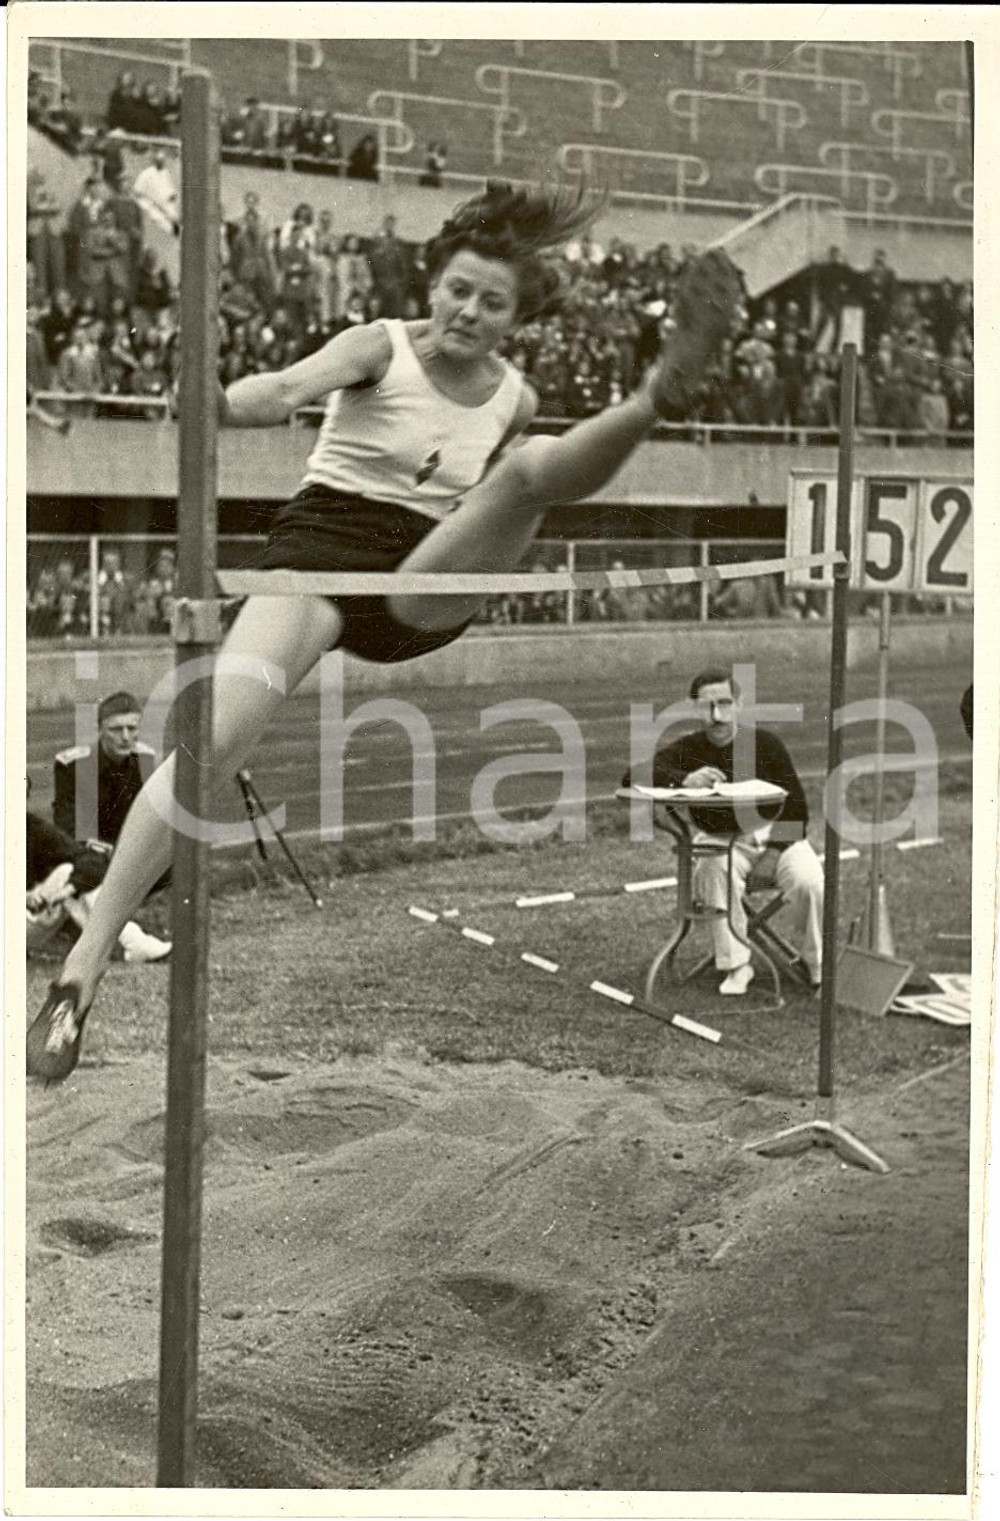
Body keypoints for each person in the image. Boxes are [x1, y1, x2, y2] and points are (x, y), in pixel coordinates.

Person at [27, 180, 743, 1081]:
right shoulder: (380, 346)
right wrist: (216, 394)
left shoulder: (513, 397)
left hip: (421, 578)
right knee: (211, 741)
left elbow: (494, 485)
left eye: (492, 302)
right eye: (458, 291)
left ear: (516, 319)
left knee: (525, 474)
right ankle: (83, 967)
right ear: (432, 286)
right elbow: (279, 391)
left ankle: (656, 397)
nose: (468, 313)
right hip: (319, 559)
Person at [622, 668, 823, 995]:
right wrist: (683, 779)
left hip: (775, 838)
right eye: (707, 706)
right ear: (694, 709)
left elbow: (797, 805)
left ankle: (817, 966)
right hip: (721, 840)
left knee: (810, 881)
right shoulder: (688, 748)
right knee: (713, 868)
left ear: (739, 704)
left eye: (725, 703)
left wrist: (774, 853)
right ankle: (736, 964)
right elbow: (632, 775)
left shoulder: (766, 744)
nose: (717, 715)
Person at [28, 797, 171, 964]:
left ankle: (133, 942)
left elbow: (89, 860)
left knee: (68, 873)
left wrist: (65, 891)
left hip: (27, 921)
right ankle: (130, 944)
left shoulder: (31, 826)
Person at [53, 690, 157, 848]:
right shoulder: (72, 765)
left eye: (132, 728)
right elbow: (66, 823)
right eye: (116, 729)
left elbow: (149, 818)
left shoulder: (144, 759)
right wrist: (90, 845)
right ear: (100, 729)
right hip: (88, 851)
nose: (125, 737)